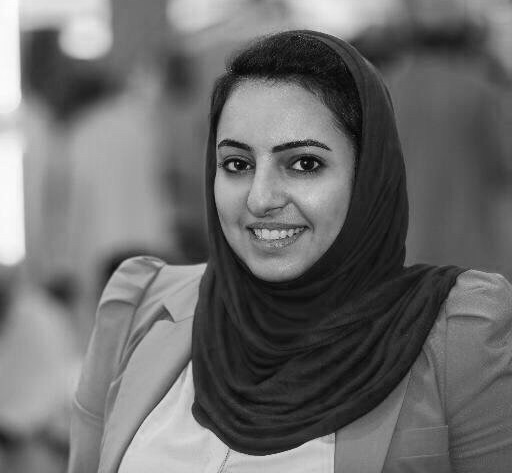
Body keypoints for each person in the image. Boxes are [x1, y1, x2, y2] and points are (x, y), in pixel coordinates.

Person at [68, 31, 512, 473]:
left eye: (304, 164)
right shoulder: (140, 308)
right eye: (237, 164)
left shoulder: (458, 337)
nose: (260, 198)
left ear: (369, 175)